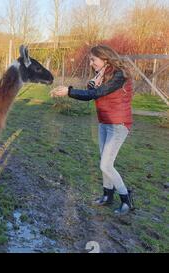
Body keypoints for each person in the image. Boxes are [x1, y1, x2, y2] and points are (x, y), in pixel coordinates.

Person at [51, 45, 135, 215]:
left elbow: (96, 94)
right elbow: (92, 93)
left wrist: (68, 91)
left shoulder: (118, 75)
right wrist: (91, 84)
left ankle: (127, 200)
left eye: (93, 60)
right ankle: (107, 196)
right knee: (105, 163)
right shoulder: (102, 74)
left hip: (118, 125)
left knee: (106, 165)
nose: (91, 63)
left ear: (104, 59)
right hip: (104, 122)